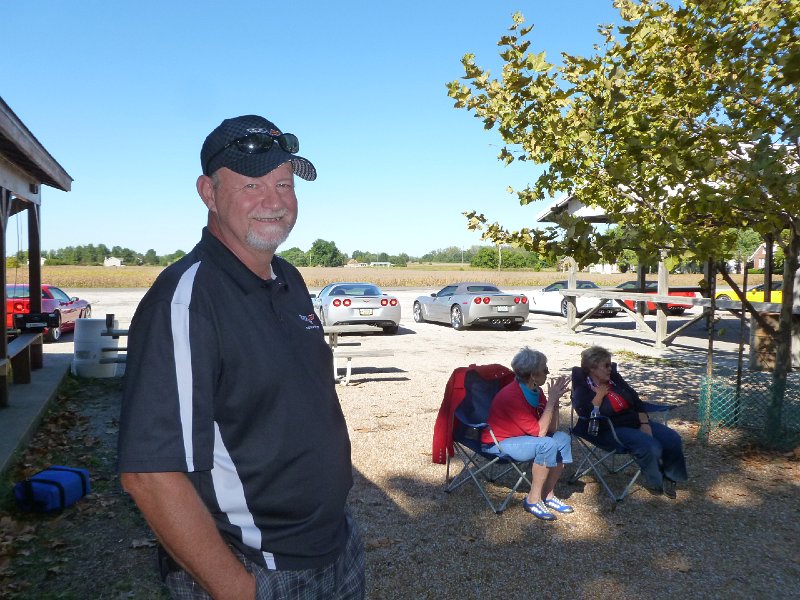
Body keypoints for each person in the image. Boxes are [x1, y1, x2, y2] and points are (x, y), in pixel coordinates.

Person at [117, 114, 365, 600]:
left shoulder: (289, 280)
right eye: (253, 185)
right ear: (208, 193)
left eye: (284, 184)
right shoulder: (188, 299)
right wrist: (237, 591)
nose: (275, 202)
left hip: (336, 547)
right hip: (256, 566)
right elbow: (149, 473)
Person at [572, 345, 688, 498]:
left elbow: (635, 398)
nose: (609, 369)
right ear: (593, 368)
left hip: (634, 420)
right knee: (650, 446)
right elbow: (587, 413)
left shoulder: (614, 379)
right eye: (606, 365)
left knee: (672, 439)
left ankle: (670, 477)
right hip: (609, 428)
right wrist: (599, 396)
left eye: (610, 365)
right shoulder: (583, 387)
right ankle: (656, 482)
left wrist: (644, 423)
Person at [481, 346, 574, 521]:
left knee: (562, 439)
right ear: (533, 375)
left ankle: (548, 494)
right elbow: (540, 433)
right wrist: (552, 399)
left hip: (524, 437)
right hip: (499, 442)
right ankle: (532, 499)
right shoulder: (513, 395)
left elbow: (552, 428)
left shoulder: (535, 391)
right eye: (545, 369)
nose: (548, 372)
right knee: (546, 444)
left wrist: (554, 403)